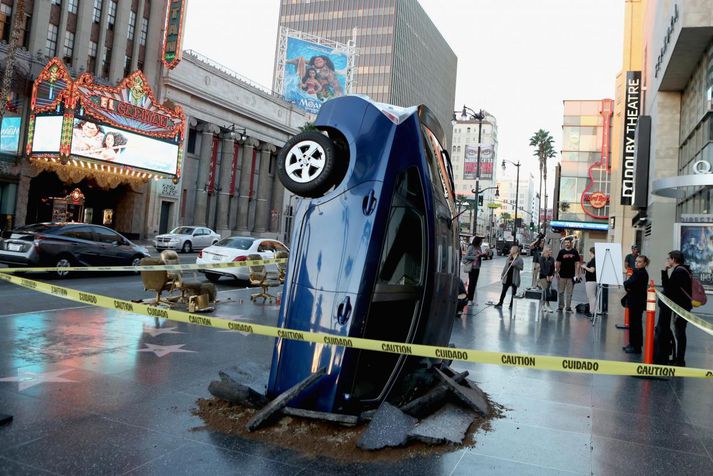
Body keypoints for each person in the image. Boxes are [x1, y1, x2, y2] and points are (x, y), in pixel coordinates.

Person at [655, 250, 692, 366]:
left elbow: (668, 288)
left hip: (681, 307)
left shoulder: (679, 272)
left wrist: (665, 271)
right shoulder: (682, 270)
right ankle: (678, 359)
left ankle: (680, 360)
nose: (668, 261)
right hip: (681, 306)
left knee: (680, 333)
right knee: (679, 332)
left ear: (674, 260)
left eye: (669, 259)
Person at [622, 255, 649, 354]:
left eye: (640, 262)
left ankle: (636, 346)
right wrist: (628, 285)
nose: (637, 263)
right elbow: (630, 284)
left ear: (645, 263)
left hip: (636, 302)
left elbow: (628, 283)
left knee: (635, 325)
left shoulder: (639, 272)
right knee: (634, 324)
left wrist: (627, 285)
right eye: (636, 261)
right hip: (636, 301)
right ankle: (632, 344)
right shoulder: (641, 272)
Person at [494, 245, 524, 309]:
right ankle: (500, 303)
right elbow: (505, 267)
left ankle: (511, 305)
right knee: (503, 291)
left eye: (511, 249)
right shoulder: (509, 257)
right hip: (507, 277)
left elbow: (521, 268)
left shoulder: (519, 258)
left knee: (513, 292)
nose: (510, 250)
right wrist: (502, 274)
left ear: (514, 250)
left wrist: (515, 265)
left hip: (514, 277)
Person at [555, 238, 580, 312]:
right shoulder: (561, 252)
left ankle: (568, 307)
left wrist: (577, 274)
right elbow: (558, 262)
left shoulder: (575, 252)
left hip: (571, 276)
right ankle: (560, 307)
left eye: (568, 243)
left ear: (571, 243)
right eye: (565, 243)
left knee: (569, 293)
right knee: (561, 292)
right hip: (562, 275)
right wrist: (557, 272)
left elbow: (577, 263)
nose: (566, 244)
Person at [463, 236, 483, 303]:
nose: (481, 243)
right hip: (472, 268)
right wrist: (475, 257)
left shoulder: (479, 247)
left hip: (477, 267)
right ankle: (469, 299)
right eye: (480, 241)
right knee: (471, 283)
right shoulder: (471, 247)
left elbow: (479, 255)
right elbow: (466, 257)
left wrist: (483, 255)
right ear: (477, 241)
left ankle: (471, 299)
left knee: (474, 284)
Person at [581, 247, 597, 317]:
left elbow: (592, 270)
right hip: (590, 280)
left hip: (591, 280)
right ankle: (592, 311)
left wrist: (585, 267)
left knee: (592, 297)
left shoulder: (593, 260)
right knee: (590, 296)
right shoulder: (593, 260)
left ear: (591, 252)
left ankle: (592, 312)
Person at [538, 246, 555, 313]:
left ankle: (543, 305)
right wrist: (546, 276)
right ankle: (547, 305)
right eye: (549, 251)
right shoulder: (542, 258)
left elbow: (553, 268)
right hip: (543, 276)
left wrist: (552, 275)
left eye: (551, 251)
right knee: (545, 290)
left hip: (550, 277)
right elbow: (542, 268)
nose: (551, 252)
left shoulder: (552, 259)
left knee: (547, 290)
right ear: (546, 252)